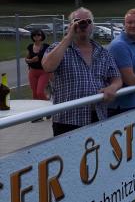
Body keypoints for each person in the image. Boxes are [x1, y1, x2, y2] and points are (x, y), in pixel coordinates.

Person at [42, 7, 122, 136]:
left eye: (88, 22)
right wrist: (68, 37)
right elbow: (48, 67)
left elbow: (116, 78)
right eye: (78, 21)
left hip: (98, 115)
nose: (83, 25)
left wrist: (112, 87)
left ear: (93, 26)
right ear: (71, 25)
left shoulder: (103, 52)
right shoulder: (58, 48)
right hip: (67, 119)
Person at [25, 29, 50, 101]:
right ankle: (37, 110)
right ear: (32, 37)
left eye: (39, 35)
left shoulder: (46, 46)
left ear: (42, 36)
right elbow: (26, 59)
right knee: (35, 94)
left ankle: (49, 107)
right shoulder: (30, 47)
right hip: (32, 72)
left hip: (43, 72)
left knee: (40, 93)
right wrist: (31, 60)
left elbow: (50, 58)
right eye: (34, 35)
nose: (36, 36)